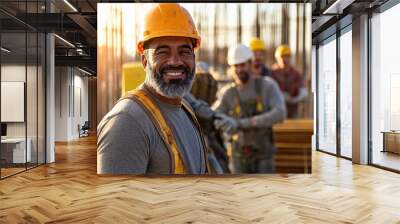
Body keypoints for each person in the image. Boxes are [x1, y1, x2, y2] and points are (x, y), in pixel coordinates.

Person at [97, 3, 226, 174]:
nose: (175, 61)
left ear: (194, 59)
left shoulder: (186, 109)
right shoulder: (127, 123)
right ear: (144, 61)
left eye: (184, 51)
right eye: (162, 52)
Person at [212, 44, 287, 173]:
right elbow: (214, 115)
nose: (240, 69)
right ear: (231, 67)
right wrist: (224, 122)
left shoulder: (267, 85)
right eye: (236, 66)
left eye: (243, 65)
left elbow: (280, 112)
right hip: (238, 154)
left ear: (251, 63)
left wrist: (243, 123)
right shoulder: (228, 93)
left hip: (264, 154)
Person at [271, 45, 308, 118]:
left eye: (287, 56)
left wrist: (295, 98)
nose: (284, 59)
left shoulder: (295, 73)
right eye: (282, 57)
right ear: (277, 58)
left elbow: (303, 91)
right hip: (276, 112)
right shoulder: (272, 73)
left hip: (292, 111)